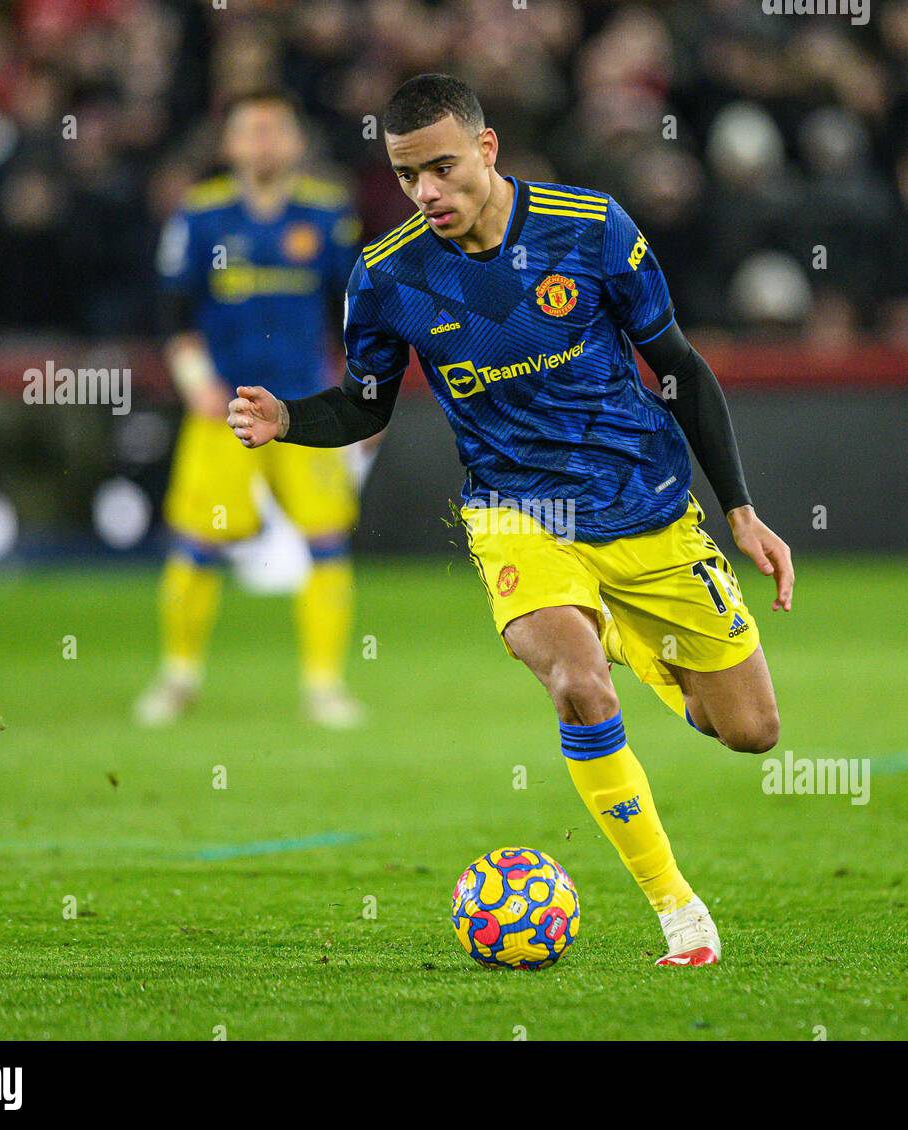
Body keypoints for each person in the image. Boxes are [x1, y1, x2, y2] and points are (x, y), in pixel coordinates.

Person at [227, 75, 794, 966]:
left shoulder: (592, 227)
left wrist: (742, 511)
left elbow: (679, 367)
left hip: (646, 508)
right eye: (409, 176)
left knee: (751, 732)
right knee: (576, 683)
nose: (428, 194)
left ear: (487, 151)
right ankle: (678, 910)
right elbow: (365, 407)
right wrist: (290, 420)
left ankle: (638, 644)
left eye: (444, 169)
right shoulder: (387, 277)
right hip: (515, 513)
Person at [136, 89, 366, 730]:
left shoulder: (325, 213)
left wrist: (357, 393)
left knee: (326, 540)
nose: (262, 142)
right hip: (226, 408)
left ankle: (324, 686)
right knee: (198, 544)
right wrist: (194, 382)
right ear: (229, 144)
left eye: (274, 129)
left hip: (304, 409)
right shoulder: (202, 213)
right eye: (250, 130)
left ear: (295, 142)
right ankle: (178, 676)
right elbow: (172, 309)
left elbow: (354, 311)